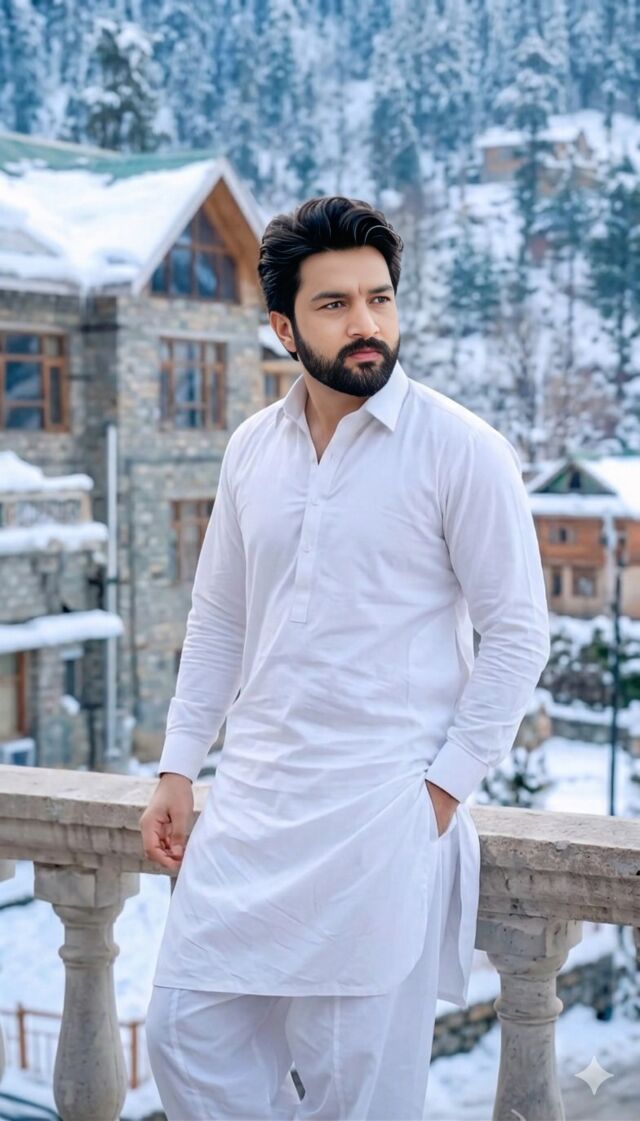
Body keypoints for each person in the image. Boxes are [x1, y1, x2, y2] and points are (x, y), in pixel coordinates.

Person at [140, 195, 551, 1120]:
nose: (366, 323)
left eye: (379, 298)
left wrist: (440, 792)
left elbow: (519, 631)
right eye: (335, 304)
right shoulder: (252, 448)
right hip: (251, 808)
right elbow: (218, 619)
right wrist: (177, 764)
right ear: (284, 327)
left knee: (357, 1090)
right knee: (184, 1036)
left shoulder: (462, 450)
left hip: (378, 818)